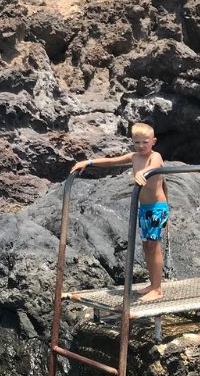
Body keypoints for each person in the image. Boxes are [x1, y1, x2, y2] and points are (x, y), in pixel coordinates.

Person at [70, 122, 168, 302]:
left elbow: (154, 167)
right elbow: (111, 161)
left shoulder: (156, 156)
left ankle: (158, 288)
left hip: (157, 208)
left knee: (154, 246)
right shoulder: (134, 156)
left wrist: (144, 173)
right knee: (147, 246)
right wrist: (88, 162)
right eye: (137, 142)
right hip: (144, 208)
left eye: (145, 142)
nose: (141, 146)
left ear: (153, 141)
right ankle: (152, 284)